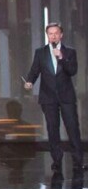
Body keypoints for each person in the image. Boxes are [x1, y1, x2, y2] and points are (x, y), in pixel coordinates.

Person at [24, 22, 82, 171]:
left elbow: (72, 71)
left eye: (56, 33)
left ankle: (78, 161)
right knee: (52, 129)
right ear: (47, 35)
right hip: (48, 97)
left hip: (66, 97)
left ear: (61, 35)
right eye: (50, 33)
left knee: (73, 129)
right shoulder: (40, 52)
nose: (53, 36)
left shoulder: (70, 52)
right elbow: (35, 70)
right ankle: (57, 161)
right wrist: (30, 81)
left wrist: (61, 57)